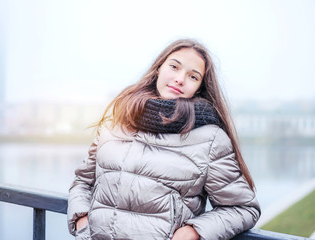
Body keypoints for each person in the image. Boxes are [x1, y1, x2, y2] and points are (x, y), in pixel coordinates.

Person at [67, 38, 260, 240]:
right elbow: (82, 182)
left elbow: (242, 208)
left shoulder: (210, 139)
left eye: (193, 77)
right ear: (159, 68)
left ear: (199, 88)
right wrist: (83, 221)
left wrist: (194, 231)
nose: (180, 79)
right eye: (174, 67)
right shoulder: (117, 120)